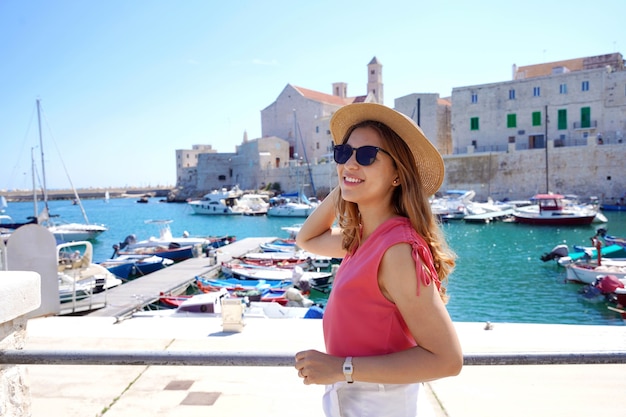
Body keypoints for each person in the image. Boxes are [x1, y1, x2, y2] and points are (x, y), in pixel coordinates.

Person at [294, 102, 463, 416]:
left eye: (367, 155)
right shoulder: (365, 240)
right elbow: (307, 239)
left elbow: (448, 360)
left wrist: (340, 368)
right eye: (343, 153)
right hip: (353, 402)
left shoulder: (397, 251)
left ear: (398, 173)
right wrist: (349, 178)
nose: (350, 162)